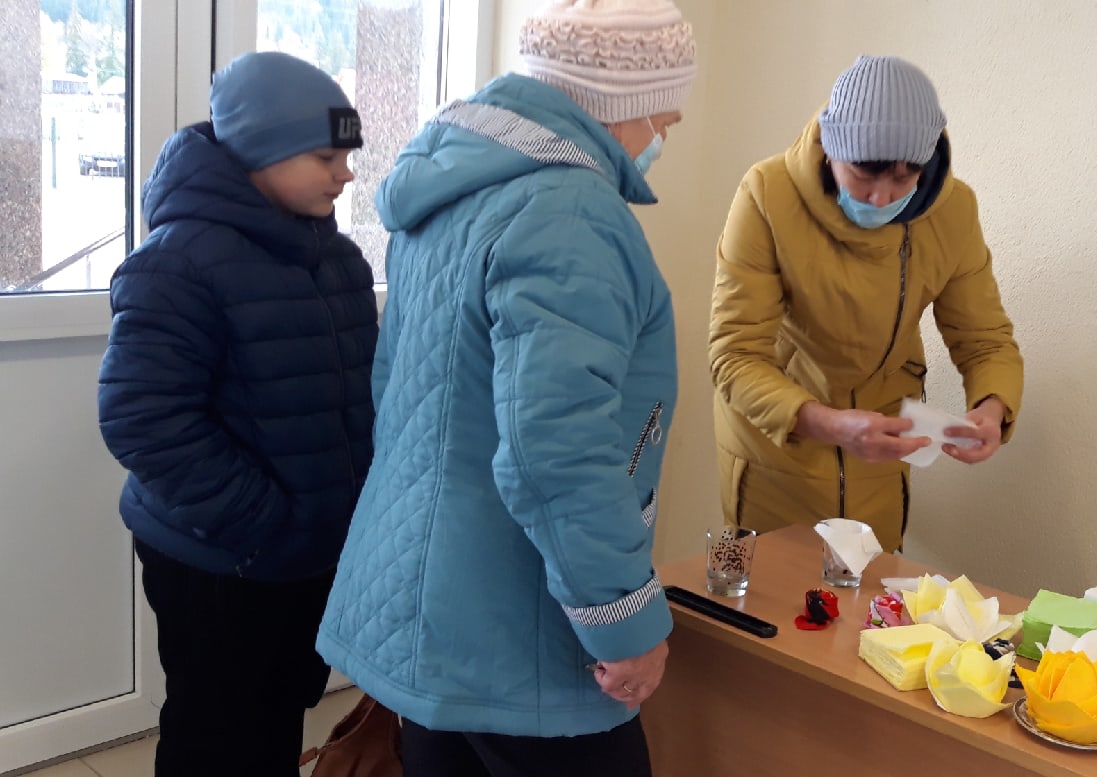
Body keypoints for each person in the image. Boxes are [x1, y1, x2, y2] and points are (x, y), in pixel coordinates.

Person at [314, 1, 695, 775]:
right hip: (512, 616)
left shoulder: (454, 187)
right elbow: (558, 447)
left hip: (426, 596)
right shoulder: (570, 212)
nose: (664, 135)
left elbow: (399, 392)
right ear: (619, 103)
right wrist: (624, 621)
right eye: (663, 116)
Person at [96, 52, 377, 777]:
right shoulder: (177, 262)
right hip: (222, 559)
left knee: (275, 717)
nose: (345, 174)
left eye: (347, 156)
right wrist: (264, 523)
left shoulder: (338, 262)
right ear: (259, 150)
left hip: (305, 556)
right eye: (325, 157)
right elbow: (140, 417)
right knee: (215, 736)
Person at [710, 55, 1025, 553]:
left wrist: (992, 407)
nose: (881, 197)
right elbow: (734, 356)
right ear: (830, 150)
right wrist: (833, 425)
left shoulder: (954, 211)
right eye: (863, 173)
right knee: (770, 596)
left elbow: (985, 340)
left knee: (872, 598)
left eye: (904, 177)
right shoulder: (766, 193)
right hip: (777, 450)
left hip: (879, 457)